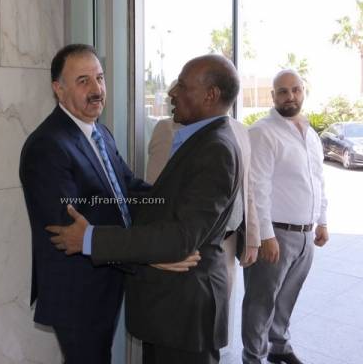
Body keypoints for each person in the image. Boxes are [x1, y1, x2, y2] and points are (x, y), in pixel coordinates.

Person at [47, 54, 243, 364]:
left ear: (210, 95)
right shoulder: (203, 139)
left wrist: (92, 239)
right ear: (59, 89)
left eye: (182, 86)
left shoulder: (215, 149)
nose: (172, 92)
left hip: (183, 315)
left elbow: (180, 238)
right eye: (83, 80)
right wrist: (153, 255)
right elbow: (142, 195)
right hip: (165, 311)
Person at [242, 69, 329, 364]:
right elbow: (257, 187)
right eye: (283, 91)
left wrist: (322, 220)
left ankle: (279, 347)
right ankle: (252, 357)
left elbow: (318, 179)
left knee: (287, 297)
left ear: (303, 92)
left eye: (296, 90)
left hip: (305, 234)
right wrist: (266, 235)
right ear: (273, 96)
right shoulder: (262, 132)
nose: (290, 96)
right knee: (260, 302)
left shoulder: (310, 134)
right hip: (276, 234)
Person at [147, 109, 260, 293]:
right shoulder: (167, 129)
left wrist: (252, 236)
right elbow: (155, 192)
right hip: (188, 246)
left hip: (227, 242)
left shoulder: (240, 129)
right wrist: (159, 248)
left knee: (221, 304)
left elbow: (247, 185)